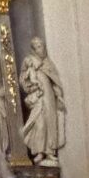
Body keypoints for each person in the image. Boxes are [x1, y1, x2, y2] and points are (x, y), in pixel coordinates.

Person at [19, 37, 66, 167]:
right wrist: (31, 86)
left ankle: (50, 151)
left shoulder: (47, 63)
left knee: (51, 122)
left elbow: (55, 81)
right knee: (39, 123)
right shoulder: (29, 61)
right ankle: (39, 151)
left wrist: (58, 95)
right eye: (39, 47)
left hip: (49, 96)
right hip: (38, 97)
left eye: (42, 46)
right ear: (33, 49)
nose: (42, 49)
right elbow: (23, 79)